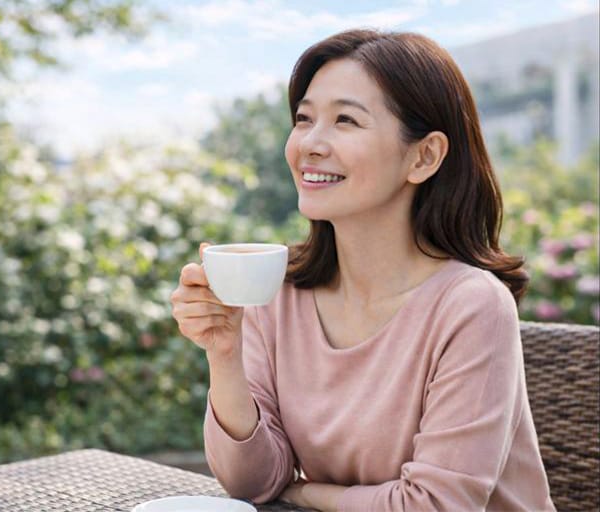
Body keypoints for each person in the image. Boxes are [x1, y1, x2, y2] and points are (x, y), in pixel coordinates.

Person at [170, 29, 554, 511]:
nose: (310, 143)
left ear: (424, 156)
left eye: (345, 120)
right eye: (304, 119)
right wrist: (225, 355)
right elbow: (254, 485)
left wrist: (309, 492)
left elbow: (435, 506)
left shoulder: (470, 304)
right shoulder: (281, 289)